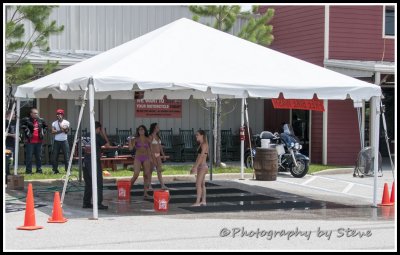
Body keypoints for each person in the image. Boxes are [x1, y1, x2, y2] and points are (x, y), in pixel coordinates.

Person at [82, 121, 110, 210]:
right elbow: (107, 146)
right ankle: (98, 203)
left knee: (89, 183)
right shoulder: (97, 136)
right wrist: (104, 134)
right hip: (93, 162)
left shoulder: (86, 135)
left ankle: (86, 202)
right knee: (98, 182)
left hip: (85, 160)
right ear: (98, 129)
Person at [20, 108, 48, 174]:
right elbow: (21, 125)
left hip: (39, 142)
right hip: (30, 142)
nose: (36, 114)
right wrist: (27, 130)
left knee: (39, 157)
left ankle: (39, 170)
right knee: (29, 157)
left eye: (37, 113)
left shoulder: (41, 120)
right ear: (31, 114)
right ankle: (28, 171)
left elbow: (46, 127)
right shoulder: (27, 120)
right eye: (35, 113)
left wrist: (43, 131)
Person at [129, 125, 152, 198]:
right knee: (136, 174)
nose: (141, 130)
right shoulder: (135, 139)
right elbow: (130, 148)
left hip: (146, 157)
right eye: (139, 129)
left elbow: (149, 149)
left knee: (146, 174)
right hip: (138, 157)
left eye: (142, 129)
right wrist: (130, 140)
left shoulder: (148, 139)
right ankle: (127, 189)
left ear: (145, 130)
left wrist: (151, 158)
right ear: (138, 131)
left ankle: (145, 193)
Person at [190, 130, 209, 207]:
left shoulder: (204, 144)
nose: (196, 136)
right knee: (202, 184)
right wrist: (194, 166)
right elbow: (198, 157)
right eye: (196, 135)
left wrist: (196, 167)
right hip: (201, 166)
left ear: (202, 136)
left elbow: (202, 157)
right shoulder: (201, 144)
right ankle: (203, 201)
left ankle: (198, 202)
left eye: (197, 135)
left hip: (203, 166)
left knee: (198, 184)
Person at [148, 123, 168, 190]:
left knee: (159, 170)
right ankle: (149, 185)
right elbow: (149, 147)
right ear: (154, 128)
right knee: (150, 171)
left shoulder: (158, 136)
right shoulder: (150, 136)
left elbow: (160, 147)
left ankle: (162, 185)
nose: (159, 128)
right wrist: (151, 157)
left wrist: (163, 155)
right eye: (157, 127)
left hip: (158, 155)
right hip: (152, 154)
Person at [51, 109, 70, 174]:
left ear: (62, 115)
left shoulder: (66, 122)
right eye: (57, 114)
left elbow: (67, 131)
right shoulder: (54, 123)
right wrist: (62, 130)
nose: (58, 115)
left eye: (60, 114)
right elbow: (53, 132)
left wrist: (58, 131)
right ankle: (55, 170)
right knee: (55, 156)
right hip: (56, 141)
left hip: (64, 141)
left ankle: (67, 170)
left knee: (66, 156)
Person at [5, 110, 17, 183]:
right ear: (9, 115)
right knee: (6, 160)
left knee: (9, 161)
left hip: (12, 145)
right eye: (14, 114)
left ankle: (8, 175)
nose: (15, 116)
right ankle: (6, 176)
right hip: (7, 145)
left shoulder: (12, 123)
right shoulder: (6, 122)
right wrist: (13, 135)